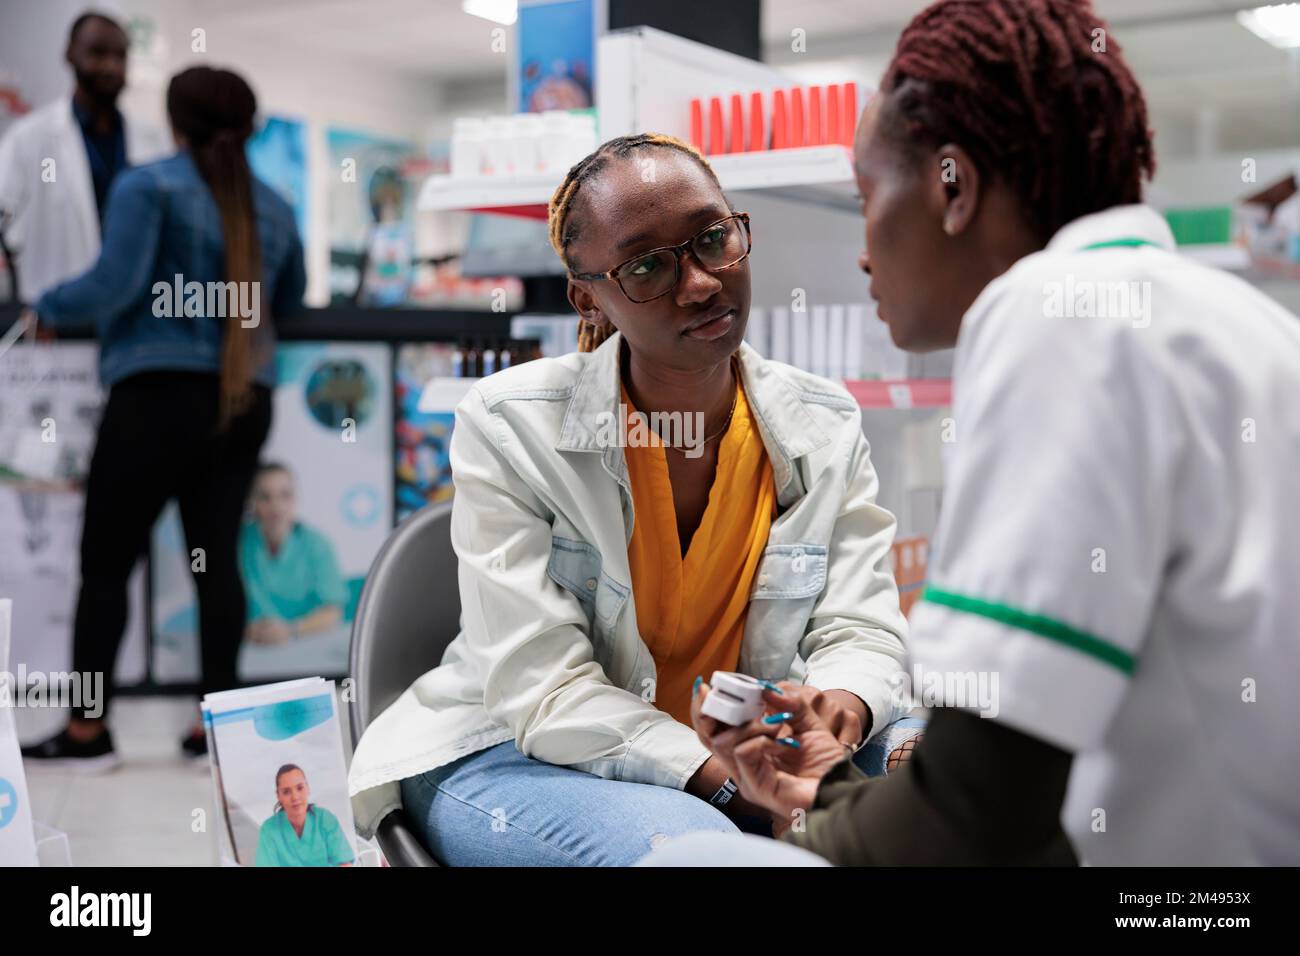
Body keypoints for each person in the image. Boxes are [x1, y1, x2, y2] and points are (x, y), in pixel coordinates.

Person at [659, 0, 1300, 867]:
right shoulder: (1238, 321)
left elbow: (974, 823)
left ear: (953, 187)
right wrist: (833, 790)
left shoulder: (1056, 314)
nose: (863, 252)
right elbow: (1017, 783)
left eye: (868, 198)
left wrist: (807, 824)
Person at [347, 132, 926, 866]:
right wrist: (738, 787)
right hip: (520, 751)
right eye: (647, 266)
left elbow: (861, 628)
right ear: (587, 296)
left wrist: (833, 716)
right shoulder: (510, 425)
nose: (701, 283)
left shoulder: (824, 422)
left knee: (935, 775)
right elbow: (544, 691)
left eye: (713, 239)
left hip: (751, 740)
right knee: (708, 854)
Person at [20, 66, 306, 769]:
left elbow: (113, 284)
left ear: (176, 124)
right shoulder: (275, 206)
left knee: (106, 565)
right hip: (243, 401)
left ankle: (87, 733)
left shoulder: (147, 186)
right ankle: (217, 731)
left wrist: (45, 306)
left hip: (155, 398)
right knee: (217, 565)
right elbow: (291, 300)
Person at [0, 11, 167, 304]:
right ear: (70, 54)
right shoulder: (27, 140)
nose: (111, 66)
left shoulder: (154, 141)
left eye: (120, 55)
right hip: (54, 315)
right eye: (98, 53)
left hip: (135, 313)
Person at [239, 462, 348, 645]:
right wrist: (246, 629)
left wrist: (291, 630)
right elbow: (218, 601)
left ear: (296, 499)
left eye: (285, 495)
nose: (276, 506)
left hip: (304, 644)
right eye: (265, 497)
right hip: (250, 645)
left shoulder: (317, 545)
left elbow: (333, 611)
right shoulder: (238, 542)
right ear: (253, 502)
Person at [255, 764, 355, 867]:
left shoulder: (325, 820)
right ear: (278, 796)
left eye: (299, 788)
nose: (295, 797)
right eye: (286, 792)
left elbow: (344, 863)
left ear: (308, 788)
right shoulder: (269, 830)